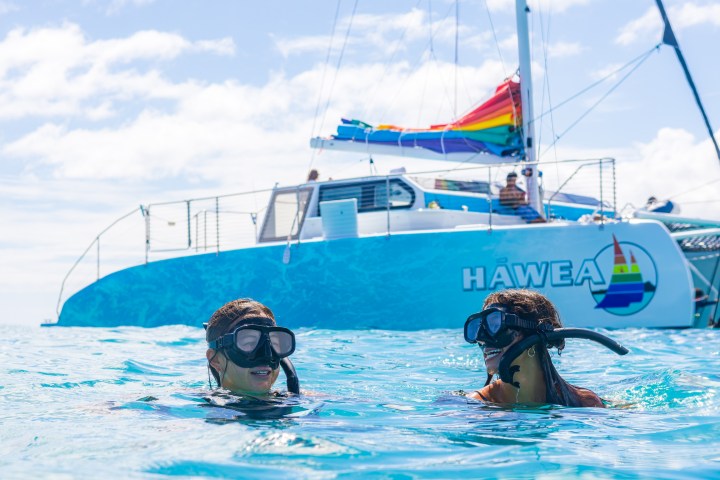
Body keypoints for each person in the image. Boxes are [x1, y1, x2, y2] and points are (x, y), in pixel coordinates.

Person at [463, 289, 612, 407]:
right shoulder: (477, 406)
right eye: (477, 328)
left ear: (531, 336)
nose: (481, 339)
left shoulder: (584, 402)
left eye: (494, 324)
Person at [205, 298, 298, 397]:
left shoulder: (304, 400)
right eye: (249, 342)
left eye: (273, 343)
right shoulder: (197, 404)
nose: (267, 355)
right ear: (216, 360)